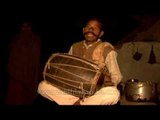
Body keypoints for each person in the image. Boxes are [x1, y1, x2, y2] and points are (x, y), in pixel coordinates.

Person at [36, 17, 122, 105]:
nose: (90, 29)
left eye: (95, 28)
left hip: (95, 92)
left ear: (101, 33)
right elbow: (67, 68)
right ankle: (77, 102)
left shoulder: (106, 49)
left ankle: (81, 103)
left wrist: (110, 82)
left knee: (113, 94)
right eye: (88, 27)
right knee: (42, 86)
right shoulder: (75, 46)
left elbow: (117, 75)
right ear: (83, 30)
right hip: (72, 91)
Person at [5, 21, 42, 105]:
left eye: (27, 26)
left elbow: (35, 62)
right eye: (23, 26)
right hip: (15, 76)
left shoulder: (34, 40)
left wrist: (34, 79)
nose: (25, 29)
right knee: (14, 98)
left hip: (27, 77)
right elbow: (11, 55)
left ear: (30, 27)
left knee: (24, 98)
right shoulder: (17, 39)